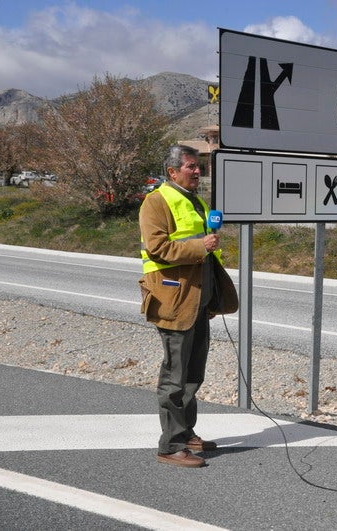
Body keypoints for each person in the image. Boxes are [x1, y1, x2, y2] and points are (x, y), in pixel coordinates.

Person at [139, 145, 238, 468]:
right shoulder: (156, 202)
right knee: (174, 377)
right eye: (191, 167)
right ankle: (171, 445)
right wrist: (201, 246)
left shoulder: (195, 201)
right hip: (174, 301)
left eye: (198, 167)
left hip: (198, 300)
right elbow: (157, 247)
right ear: (172, 172)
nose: (198, 172)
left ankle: (187, 432)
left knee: (193, 374)